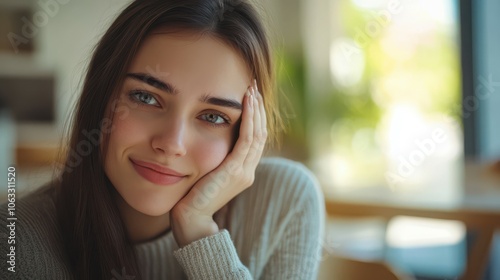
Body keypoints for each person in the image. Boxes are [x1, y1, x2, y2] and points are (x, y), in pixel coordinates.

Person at [0, 0, 325, 279]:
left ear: (245, 133)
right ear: (102, 97)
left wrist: (199, 231)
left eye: (213, 117)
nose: (172, 143)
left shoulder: (285, 202)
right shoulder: (16, 239)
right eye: (146, 97)